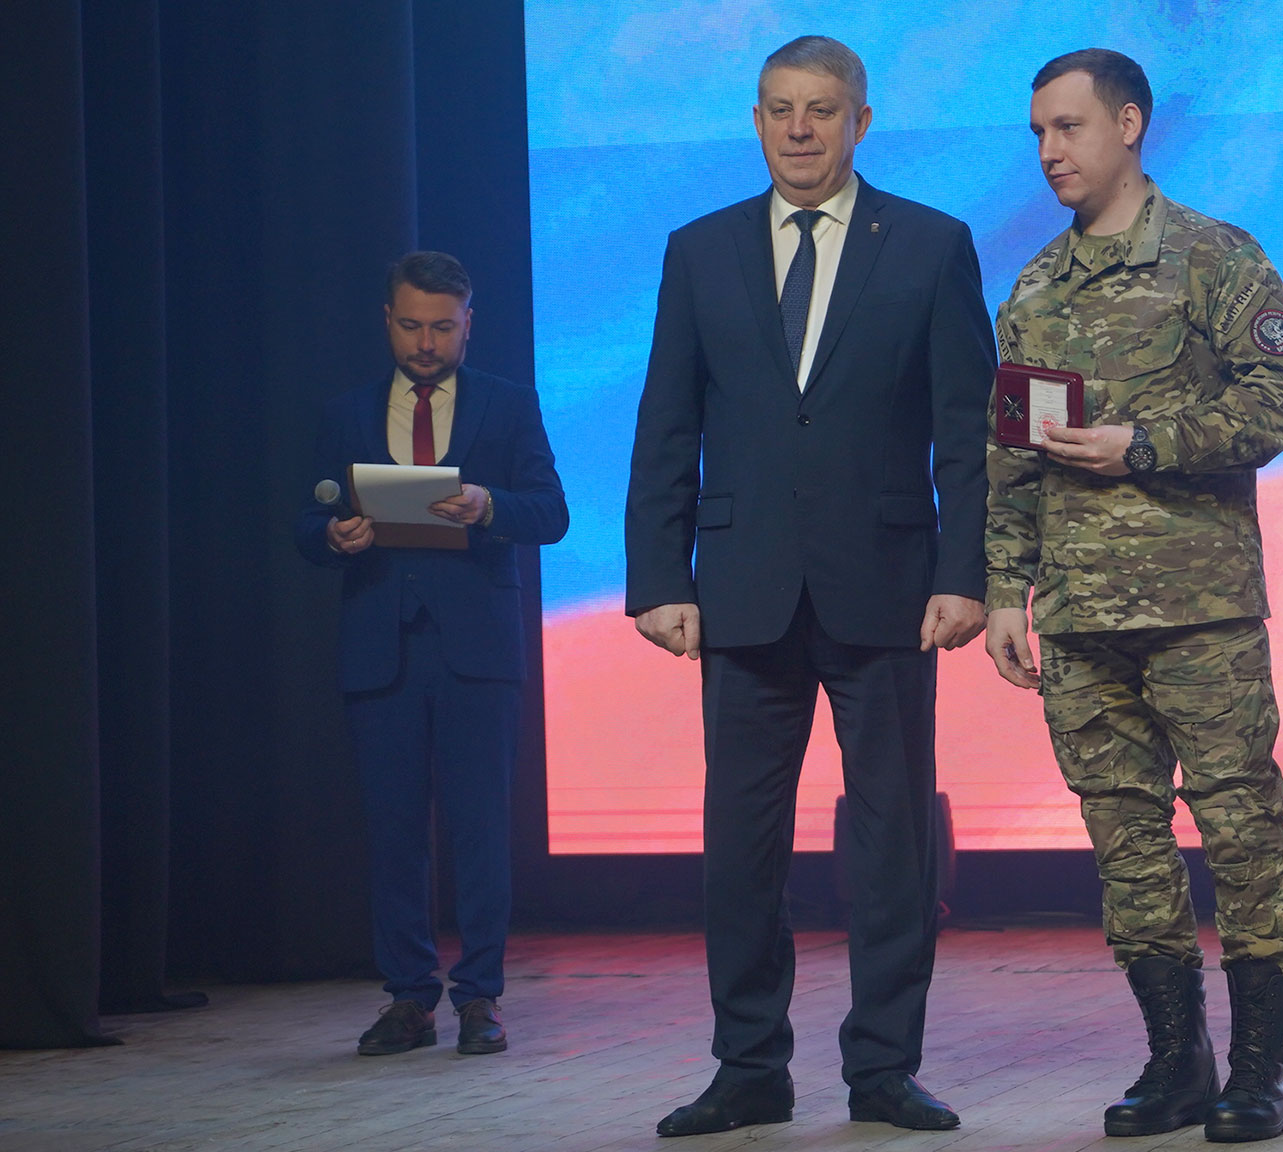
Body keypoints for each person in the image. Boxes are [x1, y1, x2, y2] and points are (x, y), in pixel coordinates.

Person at [624, 34, 994, 1138]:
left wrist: (964, 573)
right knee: (741, 847)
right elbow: (666, 424)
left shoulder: (930, 244)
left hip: (888, 591)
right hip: (740, 593)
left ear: (859, 122)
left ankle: (883, 1069)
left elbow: (966, 433)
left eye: (821, 109)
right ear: (755, 120)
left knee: (890, 844)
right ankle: (749, 1068)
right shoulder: (699, 250)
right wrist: (658, 575)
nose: (799, 129)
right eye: (779, 109)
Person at [982, 50, 1283, 1143]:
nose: (1050, 152)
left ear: (1129, 125)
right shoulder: (1036, 288)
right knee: (1126, 844)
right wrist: (1004, 591)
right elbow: (1013, 458)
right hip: (1081, 619)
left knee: (1242, 831)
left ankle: (1261, 1070)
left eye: (1069, 127)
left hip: (1199, 609)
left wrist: (1147, 444)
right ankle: (1177, 1061)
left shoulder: (1214, 258)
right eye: (1038, 132)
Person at [295, 251, 568, 1058]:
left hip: (477, 648)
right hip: (380, 645)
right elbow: (304, 519)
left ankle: (479, 995)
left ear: (468, 323)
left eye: (442, 328)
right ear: (388, 320)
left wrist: (488, 505)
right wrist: (333, 535)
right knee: (393, 832)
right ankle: (408, 998)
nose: (426, 344)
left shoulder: (509, 404)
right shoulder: (346, 411)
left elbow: (551, 512)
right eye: (412, 326)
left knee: (481, 827)